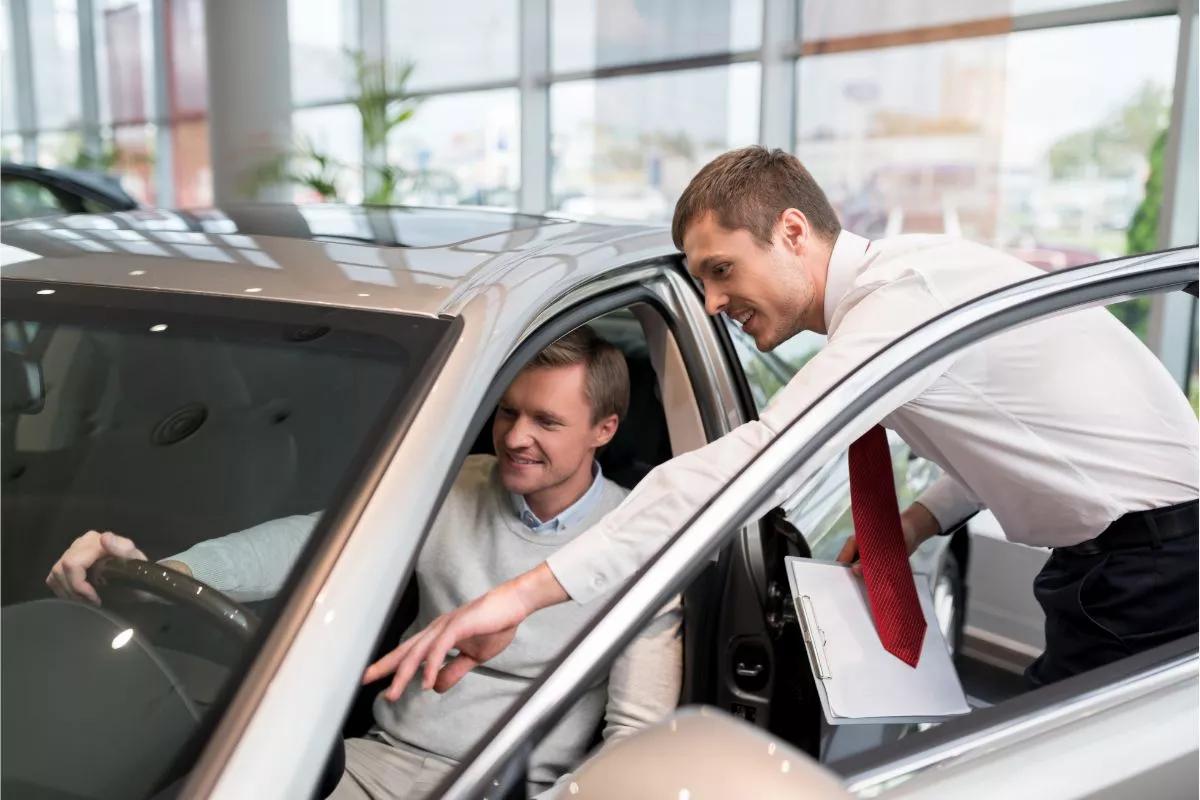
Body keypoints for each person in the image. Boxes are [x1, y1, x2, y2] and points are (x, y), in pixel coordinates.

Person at [372, 145, 1198, 700]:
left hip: (1146, 569)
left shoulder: (901, 304)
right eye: (701, 283)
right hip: (1134, 556)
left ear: (793, 232)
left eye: (721, 270)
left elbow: (750, 462)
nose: (713, 303)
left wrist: (519, 596)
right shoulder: (913, 286)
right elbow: (1009, 423)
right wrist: (918, 516)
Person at [47, 327, 683, 799]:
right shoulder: (457, 482)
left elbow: (636, 732)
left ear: (604, 429)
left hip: (516, 788)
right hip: (372, 767)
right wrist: (169, 574)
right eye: (510, 411)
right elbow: (315, 542)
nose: (516, 436)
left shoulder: (635, 535)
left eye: (546, 420)